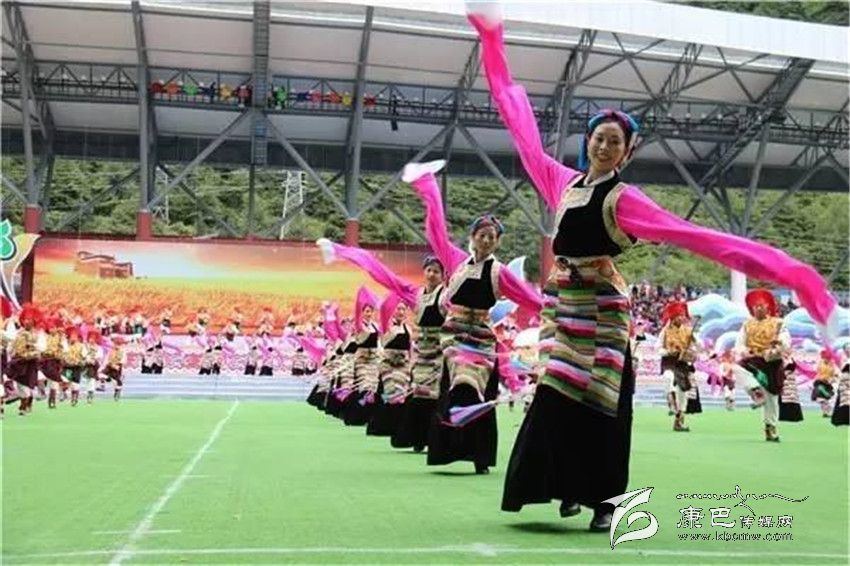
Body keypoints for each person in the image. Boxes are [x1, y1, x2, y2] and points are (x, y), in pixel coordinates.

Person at [468, 4, 839, 531]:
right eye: (598, 137)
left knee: (602, 401)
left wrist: (789, 271)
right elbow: (519, 123)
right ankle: (561, 487)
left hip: (603, 309)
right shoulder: (562, 182)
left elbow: (698, 238)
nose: (603, 145)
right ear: (588, 141)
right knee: (553, 393)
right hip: (563, 307)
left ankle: (604, 502)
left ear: (625, 152)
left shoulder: (625, 199)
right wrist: (492, 40)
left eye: (614, 142)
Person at [405, 159, 544, 475]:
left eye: (492, 237)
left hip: (481, 339)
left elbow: (529, 298)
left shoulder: (500, 272)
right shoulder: (455, 261)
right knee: (455, 387)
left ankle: (480, 457)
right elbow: (436, 231)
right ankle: (446, 450)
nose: (486, 240)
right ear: (472, 237)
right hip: (454, 337)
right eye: (482, 235)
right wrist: (427, 186)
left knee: (478, 391)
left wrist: (557, 310)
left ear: (497, 242)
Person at [314, 239, 448, 452]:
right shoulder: (415, 296)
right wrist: (332, 314)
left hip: (437, 355)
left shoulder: (446, 298)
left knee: (433, 397)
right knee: (416, 396)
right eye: (429, 270)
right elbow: (387, 278)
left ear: (444, 275)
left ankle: (435, 439)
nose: (432, 275)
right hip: (401, 360)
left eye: (437, 272)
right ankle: (414, 437)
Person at [734, 289, 791, 441]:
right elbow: (739, 344)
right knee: (736, 368)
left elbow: (786, 340)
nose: (758, 308)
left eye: (761, 306)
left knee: (772, 398)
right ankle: (756, 392)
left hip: (771, 362)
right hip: (753, 360)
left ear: (768, 307)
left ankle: (770, 428)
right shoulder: (747, 325)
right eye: (755, 306)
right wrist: (745, 351)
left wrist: (779, 343)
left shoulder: (778, 323)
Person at [658, 302, 697, 432]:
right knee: (669, 381)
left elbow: (697, 346)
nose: (681, 318)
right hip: (669, 362)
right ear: (673, 317)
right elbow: (658, 347)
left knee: (683, 392)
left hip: (682, 364)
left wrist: (692, 350)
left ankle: (679, 421)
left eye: (683, 315)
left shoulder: (688, 331)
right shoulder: (665, 331)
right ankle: (672, 405)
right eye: (679, 316)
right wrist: (668, 352)